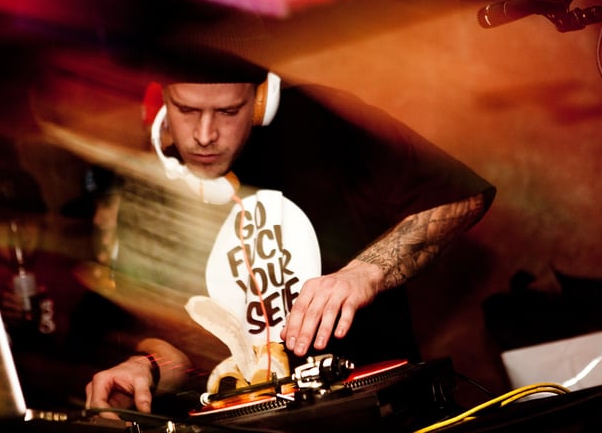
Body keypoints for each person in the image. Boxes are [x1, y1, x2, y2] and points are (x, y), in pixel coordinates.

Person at [84, 46, 495, 418]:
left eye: (228, 112)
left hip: (378, 417)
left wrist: (366, 272)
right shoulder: (148, 190)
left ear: (261, 102)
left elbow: (460, 197)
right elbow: (178, 345)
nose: (205, 135)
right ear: (162, 100)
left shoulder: (322, 124)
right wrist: (147, 367)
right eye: (186, 110)